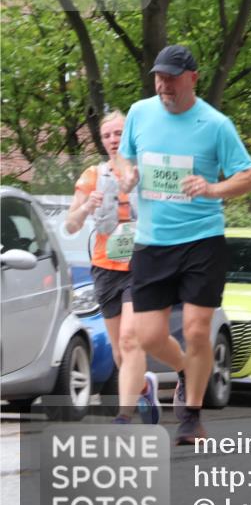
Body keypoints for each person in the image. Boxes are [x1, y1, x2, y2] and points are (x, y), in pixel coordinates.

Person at [118, 45, 251, 445]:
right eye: (159, 77)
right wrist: (127, 174)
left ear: (192, 78)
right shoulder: (139, 113)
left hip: (202, 241)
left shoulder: (215, 125)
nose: (163, 84)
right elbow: (124, 158)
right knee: (147, 337)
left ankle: (191, 417)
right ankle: (184, 369)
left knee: (198, 330)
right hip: (152, 242)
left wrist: (213, 188)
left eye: (172, 77)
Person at [65, 111, 159, 425]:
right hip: (105, 268)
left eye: (118, 133)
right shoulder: (92, 175)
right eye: (107, 135)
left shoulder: (146, 170)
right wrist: (86, 207)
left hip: (140, 266)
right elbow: (70, 225)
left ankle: (124, 414)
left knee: (131, 339)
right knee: (120, 350)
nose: (113, 140)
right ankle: (145, 386)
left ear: (129, 134)